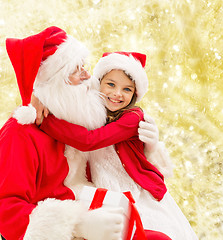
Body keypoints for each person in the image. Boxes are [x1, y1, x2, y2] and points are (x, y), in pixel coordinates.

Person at [0, 27, 170, 240]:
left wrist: (151, 149)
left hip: (91, 207)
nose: (88, 76)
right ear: (55, 80)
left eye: (85, 66)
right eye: (76, 70)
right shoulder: (20, 132)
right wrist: (78, 226)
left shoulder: (73, 122)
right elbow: (6, 211)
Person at [37, 51, 198, 240]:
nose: (117, 94)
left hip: (136, 191)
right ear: (98, 83)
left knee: (152, 231)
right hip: (106, 191)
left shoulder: (132, 117)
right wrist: (42, 99)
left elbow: (90, 141)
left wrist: (46, 121)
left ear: (135, 94)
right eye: (111, 84)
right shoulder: (93, 111)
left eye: (127, 89)